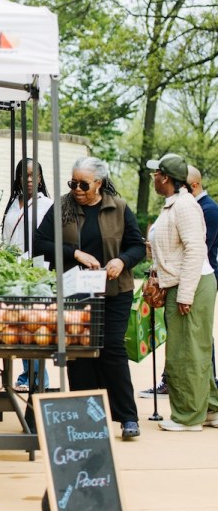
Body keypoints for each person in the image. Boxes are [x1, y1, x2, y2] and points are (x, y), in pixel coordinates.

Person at [34, 156, 145, 439]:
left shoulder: (118, 208)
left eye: (83, 184)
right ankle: (86, 416)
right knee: (79, 353)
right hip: (75, 291)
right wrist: (74, 252)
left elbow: (137, 246)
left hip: (114, 291)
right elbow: (39, 242)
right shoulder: (62, 207)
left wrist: (121, 261)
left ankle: (127, 417)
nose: (77, 189)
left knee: (111, 349)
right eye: (73, 183)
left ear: (99, 183)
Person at [146, 153, 218, 431]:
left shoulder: (184, 206)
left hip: (192, 285)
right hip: (186, 283)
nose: (153, 179)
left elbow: (195, 249)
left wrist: (186, 293)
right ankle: (210, 408)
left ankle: (189, 417)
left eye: (156, 174)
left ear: (165, 178)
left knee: (186, 353)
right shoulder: (175, 204)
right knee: (193, 349)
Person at [1, 158, 53, 392]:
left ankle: (39, 378)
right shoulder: (13, 204)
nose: (29, 180)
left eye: (34, 175)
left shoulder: (47, 205)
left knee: (34, 326)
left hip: (36, 273)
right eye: (24, 175)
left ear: (40, 178)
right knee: (21, 326)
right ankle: (26, 374)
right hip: (13, 273)